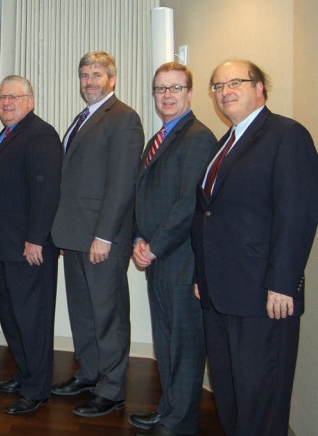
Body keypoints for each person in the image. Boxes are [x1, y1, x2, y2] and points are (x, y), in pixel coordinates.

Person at [191, 60, 318, 436]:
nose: (225, 91)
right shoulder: (225, 142)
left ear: (260, 87)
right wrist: (203, 276)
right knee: (230, 393)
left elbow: (299, 213)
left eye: (236, 82)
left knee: (261, 396)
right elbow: (208, 214)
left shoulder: (286, 135)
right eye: (217, 86)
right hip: (220, 292)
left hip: (264, 295)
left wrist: (283, 282)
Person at [50, 51, 143, 418]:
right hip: (74, 236)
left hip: (102, 239)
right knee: (83, 313)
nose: (89, 80)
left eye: (97, 74)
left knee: (108, 315)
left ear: (112, 79)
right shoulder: (83, 117)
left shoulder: (123, 118)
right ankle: (89, 373)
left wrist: (104, 235)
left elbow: (122, 184)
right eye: (84, 74)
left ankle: (112, 390)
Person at [129, 62, 217, 436]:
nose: (167, 95)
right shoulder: (158, 138)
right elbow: (142, 197)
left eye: (175, 88)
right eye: (160, 89)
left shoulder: (198, 137)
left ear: (190, 94)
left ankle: (180, 424)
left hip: (181, 264)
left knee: (184, 349)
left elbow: (188, 205)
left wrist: (155, 247)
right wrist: (137, 239)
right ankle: (167, 411)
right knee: (165, 346)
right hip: (158, 259)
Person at [0, 75, 62, 415]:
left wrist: (35, 239)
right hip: (3, 246)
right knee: (12, 317)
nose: (6, 103)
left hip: (27, 248)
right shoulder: (8, 134)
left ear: (30, 100)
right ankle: (25, 373)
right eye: (2, 97)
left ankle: (36, 389)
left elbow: (46, 192)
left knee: (32, 320)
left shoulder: (40, 134)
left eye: (14, 97)